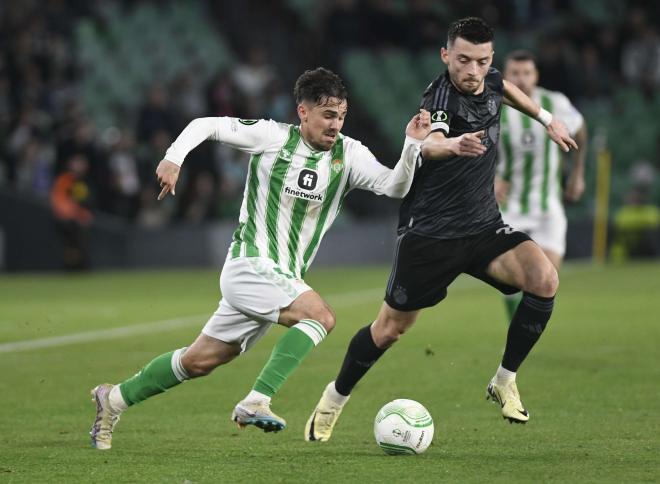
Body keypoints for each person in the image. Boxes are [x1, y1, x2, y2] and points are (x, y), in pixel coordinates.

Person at [89, 67, 431, 450]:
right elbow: (206, 124)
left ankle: (113, 398)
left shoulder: (349, 154)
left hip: (281, 277)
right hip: (249, 264)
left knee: (199, 361)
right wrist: (174, 158)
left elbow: (394, 185)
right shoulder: (271, 137)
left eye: (341, 116)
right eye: (328, 115)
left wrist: (411, 145)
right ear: (303, 112)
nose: (336, 124)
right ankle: (257, 400)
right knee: (320, 316)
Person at [305, 17, 579, 442]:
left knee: (544, 279)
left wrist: (547, 119)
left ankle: (504, 379)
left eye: (482, 61)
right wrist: (452, 144)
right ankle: (333, 399)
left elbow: (504, 88)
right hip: (430, 235)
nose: (472, 71)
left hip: (484, 226)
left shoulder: (489, 79)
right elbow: (430, 141)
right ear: (445, 55)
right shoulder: (439, 96)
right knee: (389, 330)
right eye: (464, 60)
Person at [495, 49, 588, 319]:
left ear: (536, 75)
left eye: (527, 73)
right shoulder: (495, 106)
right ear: (505, 75)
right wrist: (490, 178)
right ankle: (516, 339)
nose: (521, 79)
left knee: (544, 282)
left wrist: (577, 173)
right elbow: (475, 148)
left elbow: (581, 130)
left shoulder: (554, 102)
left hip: (548, 208)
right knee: (513, 281)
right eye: (515, 73)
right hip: (509, 208)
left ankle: (519, 337)